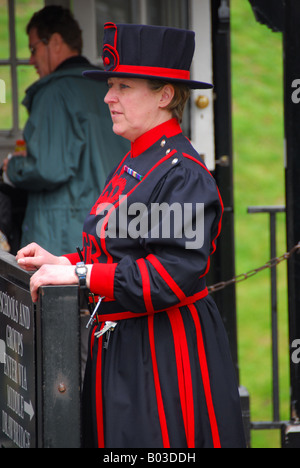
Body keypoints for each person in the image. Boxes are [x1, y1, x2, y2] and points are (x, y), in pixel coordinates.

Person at [16, 23, 246, 448]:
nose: (108, 97)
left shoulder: (183, 174)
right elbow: (114, 245)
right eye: (111, 85)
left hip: (163, 356)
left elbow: (167, 276)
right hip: (125, 347)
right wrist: (62, 262)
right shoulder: (138, 159)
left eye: (123, 86)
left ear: (165, 95)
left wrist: (81, 276)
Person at [3, 6, 129, 255]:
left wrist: (12, 169)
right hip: (114, 229)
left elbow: (48, 168)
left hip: (65, 237)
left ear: (56, 42)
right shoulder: (109, 88)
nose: (30, 60)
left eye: (34, 49)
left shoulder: (54, 93)